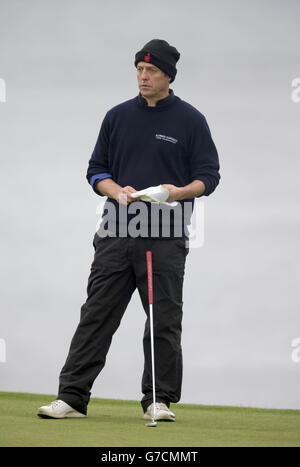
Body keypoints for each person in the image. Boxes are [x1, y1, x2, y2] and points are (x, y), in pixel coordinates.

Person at [37, 39, 221, 421]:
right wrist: (116, 190)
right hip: (116, 233)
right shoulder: (117, 116)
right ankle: (72, 398)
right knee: (97, 315)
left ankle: (158, 401)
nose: (143, 76)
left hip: (164, 236)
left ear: (168, 76)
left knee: (163, 320)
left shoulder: (190, 120)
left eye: (151, 71)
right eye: (139, 69)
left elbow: (208, 176)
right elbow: (96, 170)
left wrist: (176, 191)